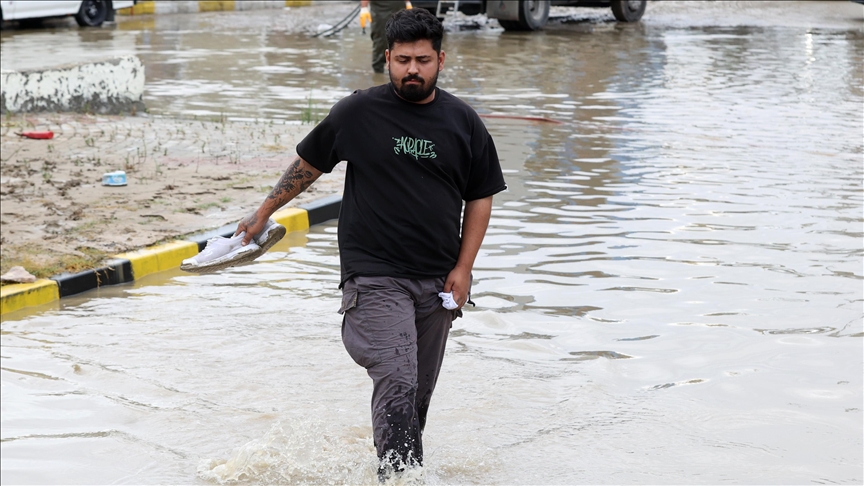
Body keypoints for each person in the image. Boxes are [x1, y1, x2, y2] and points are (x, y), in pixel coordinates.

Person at [235, 8, 506, 481]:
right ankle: (399, 479)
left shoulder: (463, 122)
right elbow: (309, 164)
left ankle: (397, 471)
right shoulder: (358, 111)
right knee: (397, 379)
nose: (412, 70)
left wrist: (464, 269)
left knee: (415, 399)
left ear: (441, 59)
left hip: (437, 281)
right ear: (387, 58)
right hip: (374, 275)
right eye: (403, 60)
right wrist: (263, 213)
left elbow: (480, 196)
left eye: (422, 60)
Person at [360, 0, 413, 73]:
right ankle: (378, 71)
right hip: (381, 9)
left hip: (400, 7)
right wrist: (364, 7)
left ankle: (400, 68)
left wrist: (407, 2)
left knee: (402, 38)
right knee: (381, 39)